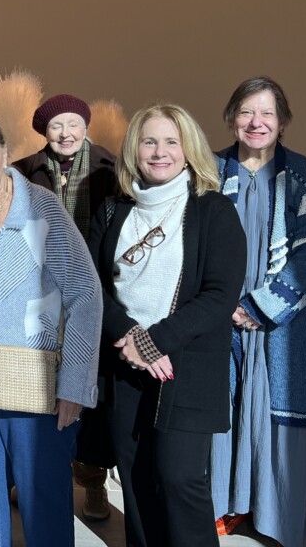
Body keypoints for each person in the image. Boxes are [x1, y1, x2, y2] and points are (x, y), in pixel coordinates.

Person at [0, 109, 103, 547]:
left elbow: (86, 294)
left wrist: (75, 385)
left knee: (43, 503)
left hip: (36, 381)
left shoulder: (42, 209)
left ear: (5, 153)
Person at [87, 104, 246, 547]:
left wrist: (155, 342)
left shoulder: (214, 212)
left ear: (188, 149)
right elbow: (90, 282)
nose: (160, 152)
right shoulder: (113, 210)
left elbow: (219, 295)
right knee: (135, 482)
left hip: (188, 365)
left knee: (180, 480)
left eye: (171, 142)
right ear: (133, 150)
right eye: (149, 141)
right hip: (125, 364)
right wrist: (130, 338)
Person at [211, 77, 306, 547]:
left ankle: (276, 514)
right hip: (220, 316)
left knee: (277, 407)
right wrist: (219, 305)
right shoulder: (213, 169)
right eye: (246, 112)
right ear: (231, 117)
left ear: (282, 122)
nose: (256, 122)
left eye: (266, 114)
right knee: (225, 403)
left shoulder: (301, 172)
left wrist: (260, 308)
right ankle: (225, 503)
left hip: (279, 322)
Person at [13, 93, 117, 522]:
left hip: (94, 286)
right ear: (44, 131)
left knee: (89, 385)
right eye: (57, 126)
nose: (66, 133)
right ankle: (30, 472)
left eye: (74, 124)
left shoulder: (111, 170)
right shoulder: (25, 171)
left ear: (86, 127)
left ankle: (92, 480)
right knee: (40, 381)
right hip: (41, 288)